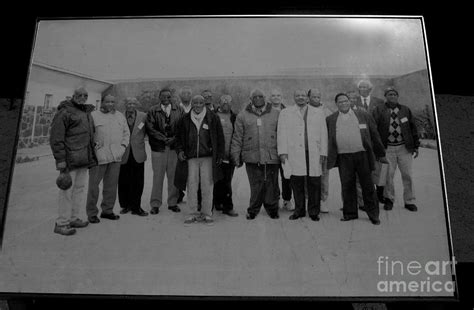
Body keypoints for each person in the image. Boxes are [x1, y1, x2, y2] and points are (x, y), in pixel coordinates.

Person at [326, 93, 388, 225]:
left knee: (368, 186)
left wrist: (381, 154)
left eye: (345, 101)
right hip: (344, 157)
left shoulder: (362, 115)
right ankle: (350, 214)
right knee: (347, 186)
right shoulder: (331, 119)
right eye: (340, 102)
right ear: (336, 104)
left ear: (350, 102)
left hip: (362, 155)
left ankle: (373, 215)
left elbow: (374, 134)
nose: (343, 104)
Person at [50, 87, 97, 235]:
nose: (82, 97)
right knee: (66, 191)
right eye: (79, 95)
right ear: (73, 96)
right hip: (70, 160)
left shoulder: (86, 113)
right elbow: (56, 139)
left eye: (85, 95)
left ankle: (73, 218)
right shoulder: (64, 112)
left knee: (79, 190)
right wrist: (61, 161)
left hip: (83, 159)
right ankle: (61, 223)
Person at [230, 89, 280, 220]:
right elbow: (237, 137)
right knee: (255, 184)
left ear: (265, 98)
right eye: (255, 97)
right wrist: (236, 155)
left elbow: (282, 135)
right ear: (250, 99)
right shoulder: (242, 115)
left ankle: (272, 209)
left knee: (271, 184)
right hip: (252, 156)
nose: (258, 98)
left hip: (271, 156)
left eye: (260, 96)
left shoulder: (276, 114)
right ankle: (253, 209)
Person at [278, 90, 328, 221]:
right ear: (293, 97)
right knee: (297, 183)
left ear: (307, 98)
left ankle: (313, 212)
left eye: (303, 95)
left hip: (314, 152)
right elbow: (281, 133)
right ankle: (299, 211)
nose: (300, 97)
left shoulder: (318, 112)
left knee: (314, 183)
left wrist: (323, 152)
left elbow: (324, 133)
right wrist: (283, 152)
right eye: (297, 95)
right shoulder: (285, 113)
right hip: (294, 153)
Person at [175, 95, 225, 225]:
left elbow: (220, 138)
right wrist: (180, 151)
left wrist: (219, 155)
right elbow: (179, 138)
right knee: (191, 185)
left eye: (200, 103)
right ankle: (192, 213)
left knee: (207, 185)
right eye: (195, 103)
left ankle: (207, 214)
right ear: (191, 104)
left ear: (205, 104)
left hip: (207, 157)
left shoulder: (213, 118)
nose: (197, 105)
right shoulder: (184, 119)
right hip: (191, 157)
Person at [372, 87, 420, 211]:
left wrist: (416, 146)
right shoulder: (379, 109)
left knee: (407, 175)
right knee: (388, 176)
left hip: (404, 148)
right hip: (387, 148)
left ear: (397, 96)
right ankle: (389, 199)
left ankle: (409, 201)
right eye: (389, 94)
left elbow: (413, 128)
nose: (392, 96)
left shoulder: (405, 110)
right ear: (385, 96)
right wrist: (377, 149)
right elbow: (374, 129)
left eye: (394, 94)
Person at [86, 94, 130, 224]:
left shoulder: (120, 116)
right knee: (93, 187)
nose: (110, 104)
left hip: (115, 156)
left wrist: (122, 147)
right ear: (102, 102)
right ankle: (92, 213)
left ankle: (107, 210)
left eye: (113, 102)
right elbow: (89, 135)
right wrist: (94, 148)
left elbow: (126, 134)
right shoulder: (93, 116)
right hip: (99, 157)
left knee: (111, 186)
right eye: (108, 102)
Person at [146, 88, 184, 215]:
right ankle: (155, 204)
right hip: (158, 148)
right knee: (158, 177)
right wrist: (164, 139)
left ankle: (172, 203)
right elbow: (150, 129)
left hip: (174, 148)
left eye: (168, 96)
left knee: (173, 176)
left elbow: (183, 127)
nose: (166, 98)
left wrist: (174, 139)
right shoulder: (152, 110)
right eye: (163, 96)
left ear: (171, 97)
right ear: (159, 97)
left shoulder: (179, 109)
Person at [355, 79, 386, 202]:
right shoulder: (354, 101)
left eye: (365, 87)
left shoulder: (379, 102)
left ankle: (380, 194)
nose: (363, 89)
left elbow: (383, 121)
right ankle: (364, 197)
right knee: (363, 171)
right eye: (361, 87)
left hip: (376, 140)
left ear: (370, 89)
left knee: (379, 169)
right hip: (361, 141)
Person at [118, 97, 148, 216]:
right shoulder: (119, 116)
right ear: (125, 104)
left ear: (136, 104)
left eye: (133, 103)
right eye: (128, 103)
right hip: (123, 152)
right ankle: (125, 205)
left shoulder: (143, 116)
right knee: (123, 180)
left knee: (138, 181)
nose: (131, 105)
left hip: (138, 153)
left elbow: (147, 131)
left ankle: (136, 207)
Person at [307, 88, 332, 213]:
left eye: (318, 97)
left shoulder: (326, 111)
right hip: (308, 149)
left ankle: (323, 200)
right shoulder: (304, 110)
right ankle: (308, 199)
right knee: (308, 176)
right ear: (308, 97)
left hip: (322, 149)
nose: (316, 99)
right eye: (314, 97)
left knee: (323, 176)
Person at [213, 95, 238, 216]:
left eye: (228, 102)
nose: (225, 103)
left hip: (230, 155)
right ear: (219, 103)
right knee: (217, 180)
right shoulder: (213, 116)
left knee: (227, 181)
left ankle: (228, 207)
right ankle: (218, 203)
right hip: (217, 155)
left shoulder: (234, 117)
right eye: (223, 101)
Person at [268, 88, 293, 211]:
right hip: (271, 148)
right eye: (273, 95)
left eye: (278, 95)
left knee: (286, 175)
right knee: (272, 176)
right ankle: (275, 199)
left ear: (282, 97)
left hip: (285, 148)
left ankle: (287, 200)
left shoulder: (288, 111)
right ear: (270, 98)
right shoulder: (266, 112)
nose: (276, 97)